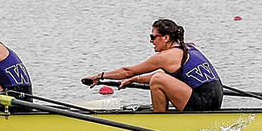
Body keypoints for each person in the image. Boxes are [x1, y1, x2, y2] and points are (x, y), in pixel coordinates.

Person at [85, 18, 223, 112]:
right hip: (214, 99)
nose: (151, 41)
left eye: (153, 37)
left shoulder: (165, 57)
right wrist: (135, 80)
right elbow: (166, 76)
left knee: (157, 80)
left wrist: (100, 76)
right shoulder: (186, 48)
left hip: (204, 102)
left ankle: (159, 119)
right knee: (159, 77)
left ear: (166, 38)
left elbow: (128, 71)